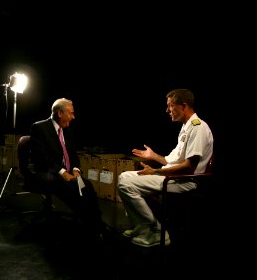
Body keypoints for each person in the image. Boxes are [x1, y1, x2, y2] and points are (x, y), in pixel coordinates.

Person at [117, 88, 214, 247]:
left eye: (170, 105)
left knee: (126, 185)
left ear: (183, 106)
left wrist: (155, 171)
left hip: (186, 182)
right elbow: (171, 161)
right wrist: (153, 156)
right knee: (124, 176)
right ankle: (142, 227)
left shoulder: (198, 128)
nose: (167, 110)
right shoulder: (186, 128)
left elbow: (189, 167)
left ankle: (154, 231)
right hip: (174, 177)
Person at [29, 97, 111, 243]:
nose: (73, 117)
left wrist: (75, 169)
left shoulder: (67, 130)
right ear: (60, 113)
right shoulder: (39, 128)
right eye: (71, 113)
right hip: (47, 172)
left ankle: (97, 222)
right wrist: (62, 172)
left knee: (87, 185)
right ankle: (90, 225)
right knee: (68, 187)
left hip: (66, 172)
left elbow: (73, 154)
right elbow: (42, 158)